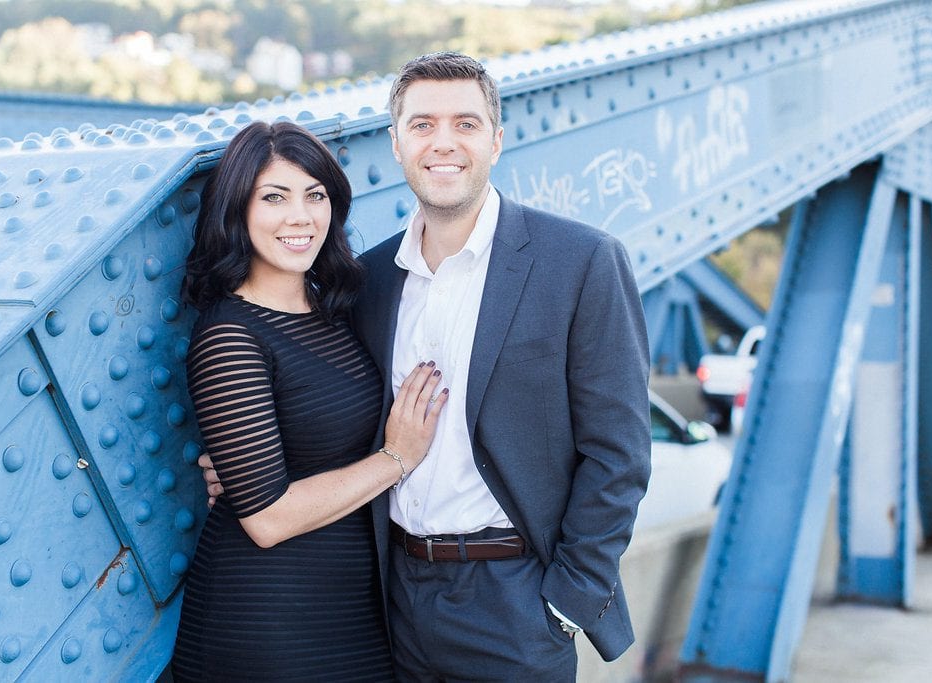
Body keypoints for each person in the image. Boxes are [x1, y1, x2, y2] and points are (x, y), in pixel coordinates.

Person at [203, 52, 651, 680]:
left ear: (496, 140)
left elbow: (620, 451)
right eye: (422, 125)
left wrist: (567, 602)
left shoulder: (580, 262)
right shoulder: (368, 281)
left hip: (515, 599)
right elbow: (328, 404)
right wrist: (245, 464)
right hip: (390, 598)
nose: (444, 143)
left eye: (465, 124)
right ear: (395, 144)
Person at [171, 120, 448, 681]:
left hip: (355, 609)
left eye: (315, 195)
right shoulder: (230, 335)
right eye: (274, 197)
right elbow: (267, 518)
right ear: (237, 211)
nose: (300, 216)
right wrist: (396, 459)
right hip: (270, 619)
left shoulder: (337, 311)